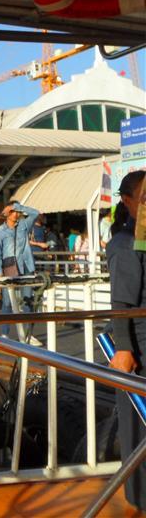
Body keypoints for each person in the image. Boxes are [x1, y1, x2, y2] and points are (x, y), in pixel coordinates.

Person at [107, 169, 146, 512]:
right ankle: (140, 499)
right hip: (138, 348)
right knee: (137, 426)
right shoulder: (125, 242)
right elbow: (122, 301)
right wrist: (124, 349)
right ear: (127, 201)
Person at [0, 200, 42, 343]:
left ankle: (27, 335)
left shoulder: (24, 225)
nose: (15, 214)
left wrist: (17, 206)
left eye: (17, 211)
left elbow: (35, 213)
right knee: (7, 302)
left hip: (26, 267)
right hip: (9, 268)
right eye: (13, 211)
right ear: (7, 213)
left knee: (28, 301)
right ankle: (4, 333)